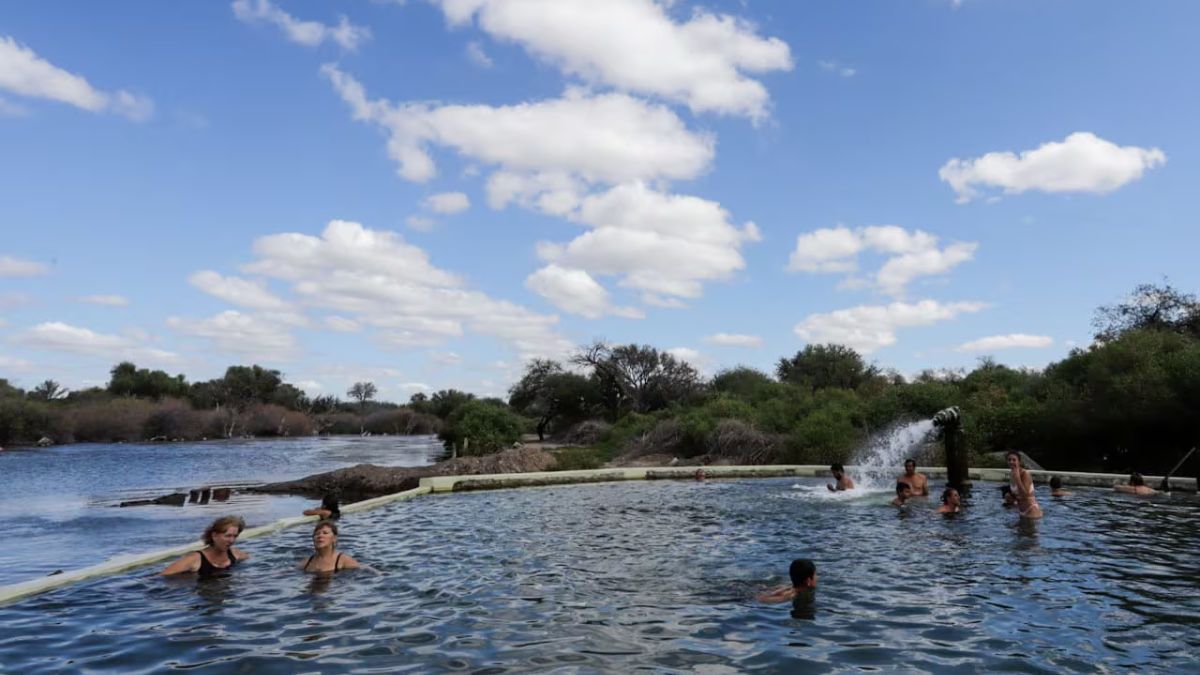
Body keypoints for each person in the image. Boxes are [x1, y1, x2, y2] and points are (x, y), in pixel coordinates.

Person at [162, 515, 250, 576]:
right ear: (214, 535)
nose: (232, 540)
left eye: (235, 536)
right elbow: (162, 576)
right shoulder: (195, 559)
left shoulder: (235, 554)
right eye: (228, 536)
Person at [1006, 450, 1042, 519]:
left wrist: (1017, 478)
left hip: (1031, 510)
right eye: (1009, 460)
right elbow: (1018, 494)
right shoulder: (1011, 473)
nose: (1011, 462)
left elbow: (1025, 495)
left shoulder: (1025, 474)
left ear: (1019, 462)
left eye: (1014, 460)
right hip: (1021, 511)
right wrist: (1010, 497)